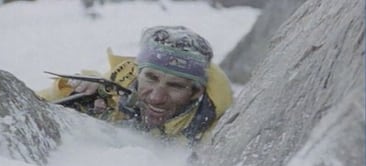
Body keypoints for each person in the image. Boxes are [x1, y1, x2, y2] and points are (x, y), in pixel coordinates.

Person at [37, 25, 233, 147]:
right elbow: (20, 104)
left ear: (196, 92)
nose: (157, 97)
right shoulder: (110, 95)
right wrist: (68, 91)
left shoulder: (217, 132)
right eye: (151, 78)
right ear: (138, 73)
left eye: (175, 86)